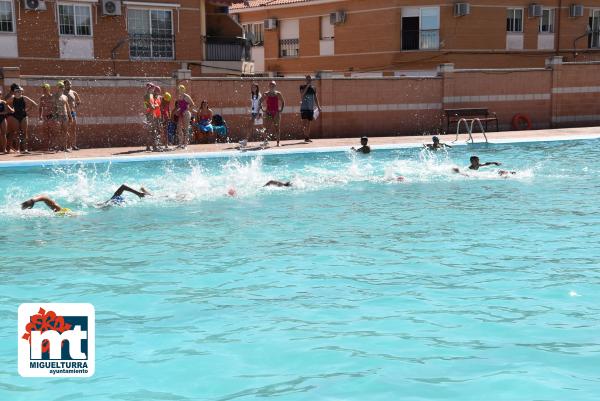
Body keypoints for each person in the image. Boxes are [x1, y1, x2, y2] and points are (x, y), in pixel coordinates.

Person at [7, 85, 38, 154]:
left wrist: (28, 110)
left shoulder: (24, 98)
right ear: (15, 92)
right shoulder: (12, 98)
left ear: (22, 92)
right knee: (17, 133)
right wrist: (11, 109)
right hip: (15, 116)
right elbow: (6, 103)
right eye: (18, 91)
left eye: (20, 91)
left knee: (24, 133)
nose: (19, 92)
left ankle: (25, 149)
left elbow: (35, 104)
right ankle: (18, 149)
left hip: (24, 116)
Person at [260, 81, 285, 147]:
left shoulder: (278, 94)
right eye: (271, 85)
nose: (272, 86)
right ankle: (265, 142)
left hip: (276, 113)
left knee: (277, 128)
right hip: (268, 113)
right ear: (269, 86)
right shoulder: (266, 94)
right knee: (266, 128)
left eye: (273, 85)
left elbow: (283, 102)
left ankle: (278, 143)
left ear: (275, 86)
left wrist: (281, 110)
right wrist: (262, 109)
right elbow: (260, 101)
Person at [299, 75, 322, 143]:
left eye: (310, 79)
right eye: (307, 79)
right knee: (304, 124)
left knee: (308, 124)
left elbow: (315, 98)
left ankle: (307, 137)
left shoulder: (314, 88)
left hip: (310, 108)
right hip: (304, 108)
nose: (309, 80)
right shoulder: (302, 87)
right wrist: (307, 86)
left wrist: (318, 106)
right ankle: (305, 136)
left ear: (311, 80)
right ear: (305, 80)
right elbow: (302, 95)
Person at [52, 81, 73, 152]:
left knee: (65, 131)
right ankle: (58, 147)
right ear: (57, 88)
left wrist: (70, 117)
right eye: (60, 87)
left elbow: (67, 107)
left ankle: (65, 147)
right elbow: (53, 108)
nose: (61, 88)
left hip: (65, 115)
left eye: (62, 87)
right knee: (58, 132)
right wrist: (55, 117)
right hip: (58, 115)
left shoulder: (65, 97)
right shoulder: (54, 96)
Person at [241, 83, 263, 148]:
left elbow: (260, 105)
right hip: (253, 113)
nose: (253, 88)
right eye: (252, 87)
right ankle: (265, 140)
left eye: (254, 87)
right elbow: (253, 105)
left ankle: (245, 141)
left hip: (257, 113)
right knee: (254, 127)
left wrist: (259, 114)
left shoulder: (259, 95)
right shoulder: (253, 95)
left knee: (255, 127)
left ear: (257, 88)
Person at [174, 84, 195, 150]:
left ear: (183, 90)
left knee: (186, 129)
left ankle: (185, 144)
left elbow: (192, 105)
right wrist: (178, 110)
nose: (179, 90)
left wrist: (186, 110)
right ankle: (180, 143)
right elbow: (181, 106)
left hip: (186, 114)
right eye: (179, 89)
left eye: (180, 89)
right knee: (179, 128)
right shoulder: (179, 96)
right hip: (181, 113)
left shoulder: (187, 96)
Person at [63, 79, 82, 150]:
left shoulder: (74, 92)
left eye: (70, 84)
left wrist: (75, 106)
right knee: (66, 130)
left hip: (73, 113)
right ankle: (68, 145)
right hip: (66, 113)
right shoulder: (62, 93)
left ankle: (74, 145)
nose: (69, 85)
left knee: (73, 130)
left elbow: (79, 101)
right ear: (64, 85)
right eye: (68, 84)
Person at [38, 83, 55, 151]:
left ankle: (53, 146)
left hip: (52, 116)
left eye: (45, 88)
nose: (43, 90)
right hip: (45, 116)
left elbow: (56, 107)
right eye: (43, 89)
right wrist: (40, 116)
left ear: (48, 89)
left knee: (52, 131)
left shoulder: (52, 96)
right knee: (46, 132)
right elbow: (40, 107)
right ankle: (48, 146)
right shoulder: (42, 97)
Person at [0, 88, 15, 154]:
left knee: (4, 134)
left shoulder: (3, 102)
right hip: (2, 116)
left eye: (0, 94)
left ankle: (4, 149)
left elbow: (6, 111)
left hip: (2, 118)